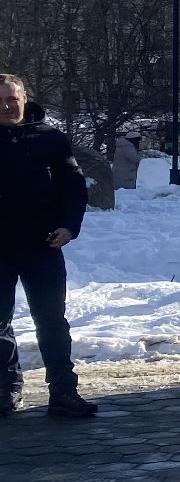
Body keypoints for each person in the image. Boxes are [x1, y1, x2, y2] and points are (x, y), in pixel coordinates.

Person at [0, 74, 96, 418]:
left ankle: (63, 391)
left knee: (52, 320)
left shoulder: (50, 138)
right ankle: (6, 390)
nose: (7, 107)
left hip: (43, 245)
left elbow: (74, 187)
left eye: (12, 99)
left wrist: (69, 227)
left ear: (25, 98)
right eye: (0, 102)